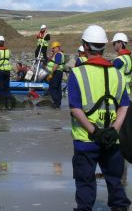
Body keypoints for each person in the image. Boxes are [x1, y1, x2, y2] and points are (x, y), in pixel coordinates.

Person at [68, 25, 130, 211]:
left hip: (86, 141)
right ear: (104, 46)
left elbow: (75, 109)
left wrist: (94, 131)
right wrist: (114, 130)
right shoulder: (117, 73)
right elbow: (124, 105)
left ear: (85, 46)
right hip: (112, 140)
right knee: (115, 182)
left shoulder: (77, 74)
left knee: (85, 183)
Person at [47, 41, 65, 109]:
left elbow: (56, 64)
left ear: (58, 47)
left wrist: (51, 73)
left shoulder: (58, 54)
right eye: (52, 48)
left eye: (54, 48)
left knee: (53, 88)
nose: (53, 49)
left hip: (56, 72)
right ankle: (58, 103)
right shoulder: (56, 54)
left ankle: (56, 102)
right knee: (57, 88)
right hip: (57, 72)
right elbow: (50, 61)